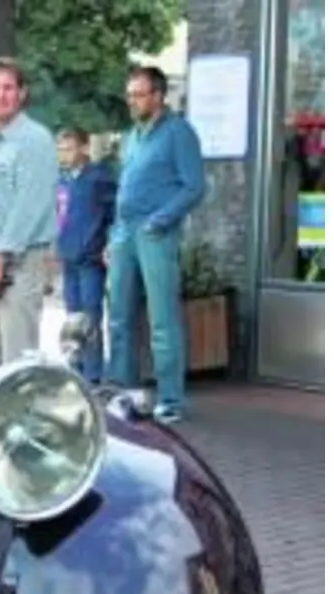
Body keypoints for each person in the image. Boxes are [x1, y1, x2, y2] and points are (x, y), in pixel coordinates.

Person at [105, 65, 206, 423]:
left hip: (155, 235)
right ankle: (124, 391)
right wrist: (113, 235)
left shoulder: (179, 132)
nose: (132, 101)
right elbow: (124, 189)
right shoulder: (131, 136)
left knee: (162, 320)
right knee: (118, 317)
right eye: (130, 95)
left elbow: (194, 187)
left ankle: (170, 399)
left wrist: (159, 221)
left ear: (159, 96)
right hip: (124, 234)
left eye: (139, 94)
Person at [0, 57, 60, 378]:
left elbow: (30, 204)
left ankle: (21, 415)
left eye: (8, 87)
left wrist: (2, 255)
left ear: (22, 93)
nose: (1, 95)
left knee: (17, 364)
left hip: (19, 260)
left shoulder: (35, 139)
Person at [55, 127, 117, 382]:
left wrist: (107, 242)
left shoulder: (98, 178)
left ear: (84, 148)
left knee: (90, 315)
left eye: (69, 149)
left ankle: (93, 373)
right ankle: (76, 367)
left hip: (90, 257)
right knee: (72, 314)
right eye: (60, 150)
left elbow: (113, 213)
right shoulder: (61, 179)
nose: (64, 155)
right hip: (68, 256)